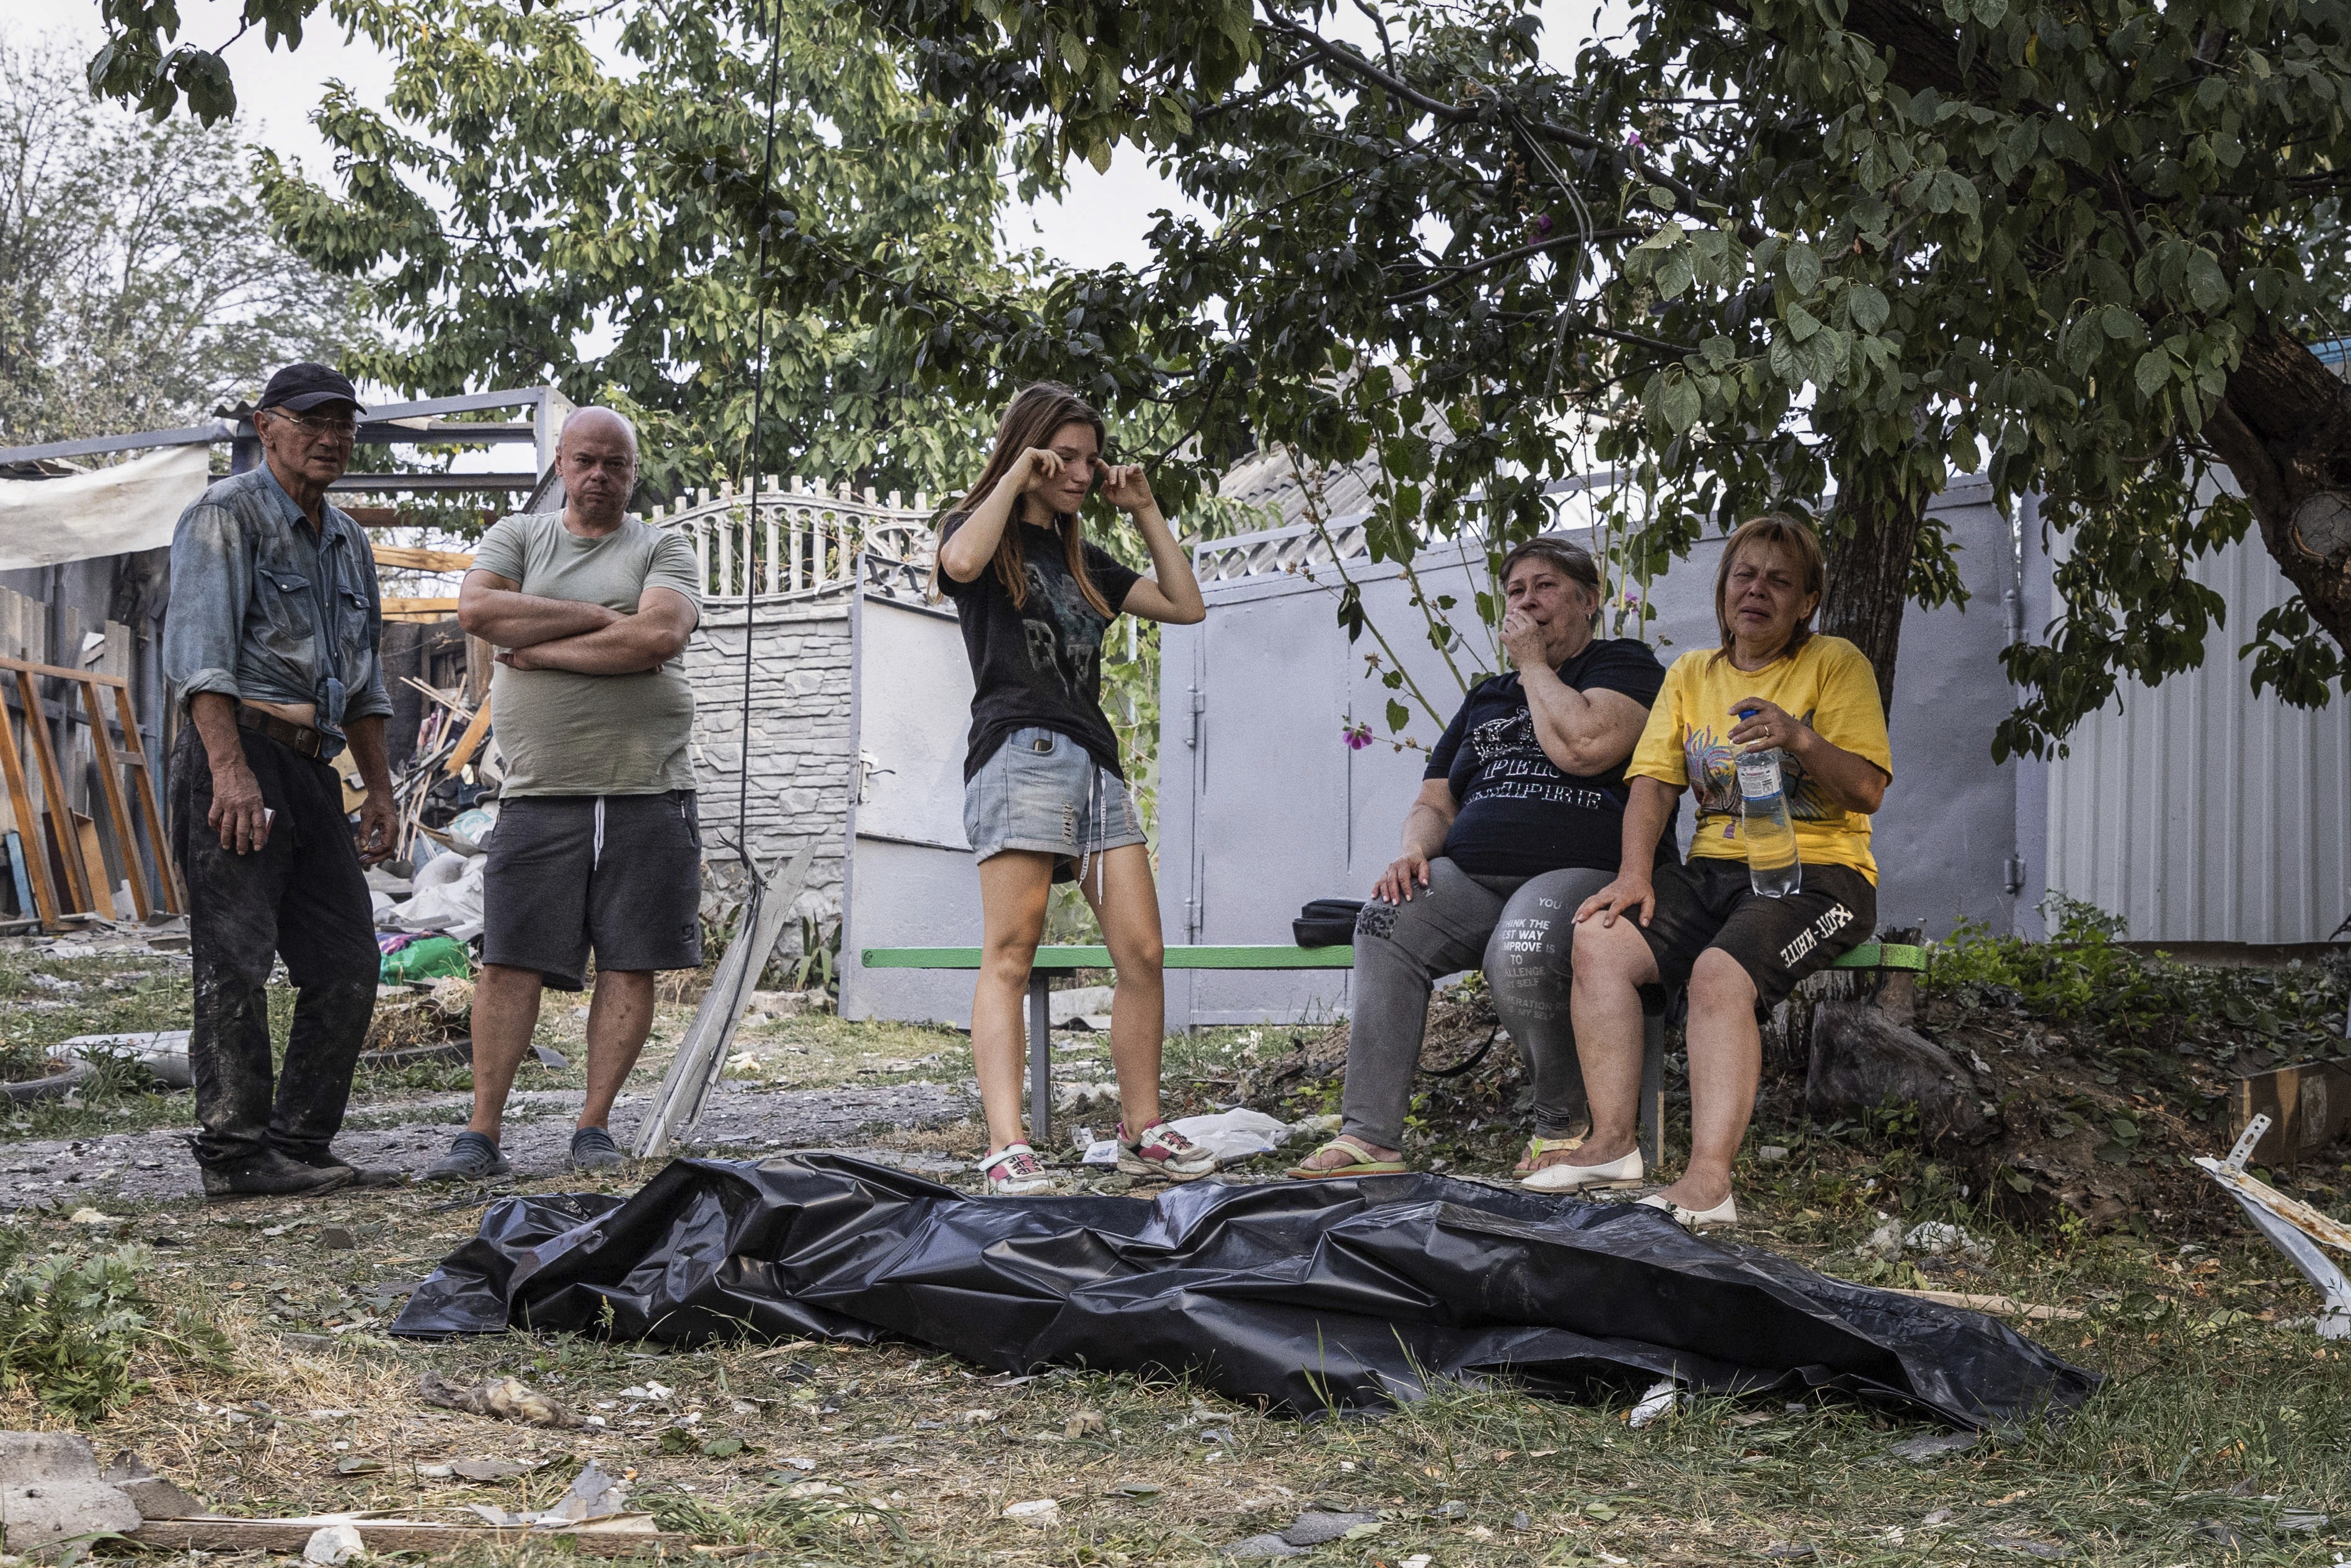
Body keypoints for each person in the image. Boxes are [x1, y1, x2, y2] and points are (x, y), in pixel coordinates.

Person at [1285, 537, 1667, 1184]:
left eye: (1544, 587)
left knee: (1521, 942)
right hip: (1472, 879)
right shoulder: (1486, 697)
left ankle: (1562, 1128)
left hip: (1584, 873)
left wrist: (1534, 668)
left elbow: (1588, 746)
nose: (1527, 602)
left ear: (1590, 600)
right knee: (1385, 920)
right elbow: (1437, 800)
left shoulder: (1625, 666)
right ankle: (1370, 1137)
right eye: (1516, 591)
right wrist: (1412, 849)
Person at [1556, 514, 1892, 1228]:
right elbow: (1651, 784)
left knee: (1718, 975)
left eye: (1779, 580)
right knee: (1600, 939)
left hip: (1820, 875)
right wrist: (1634, 874)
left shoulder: (1834, 663)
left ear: (1807, 602)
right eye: (1745, 574)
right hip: (1714, 872)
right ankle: (1612, 1144)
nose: (1757, 591)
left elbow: (1867, 791)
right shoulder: (1690, 674)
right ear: (1723, 588)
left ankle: (1709, 1182)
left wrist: (1800, 736)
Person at [934, 383, 1210, 1194]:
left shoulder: (1087, 559)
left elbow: (1185, 606)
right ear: (1033, 450)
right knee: (1011, 957)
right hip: (1021, 752)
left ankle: (1142, 1129)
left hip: (1096, 762)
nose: (1086, 471)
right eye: (1071, 455)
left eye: (1094, 456)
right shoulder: (979, 535)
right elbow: (957, 563)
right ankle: (1006, 1144)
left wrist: (1147, 510)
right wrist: (1013, 476)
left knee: (1143, 953)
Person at [425, 407, 704, 1182]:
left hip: (649, 788)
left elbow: (656, 638)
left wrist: (540, 652)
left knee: (630, 959)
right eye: (586, 460)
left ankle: (594, 1126)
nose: (600, 476)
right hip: (539, 792)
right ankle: (481, 1133)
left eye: (616, 464)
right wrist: (595, 618)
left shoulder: (662, 546)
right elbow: (479, 611)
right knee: (509, 959)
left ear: (634, 472)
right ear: (561, 464)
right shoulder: (518, 536)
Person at [163, 361, 398, 1200]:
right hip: (237, 757)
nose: (332, 438)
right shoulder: (226, 516)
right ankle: (235, 1150)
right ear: (267, 428)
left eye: (345, 424)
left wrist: (380, 788)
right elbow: (200, 661)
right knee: (235, 957)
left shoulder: (348, 541)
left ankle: (301, 1138)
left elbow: (366, 682)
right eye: (312, 421)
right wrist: (228, 774)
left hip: (310, 768)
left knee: (347, 958)